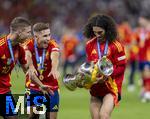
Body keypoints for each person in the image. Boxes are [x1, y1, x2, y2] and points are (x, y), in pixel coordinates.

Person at [83, 14, 126, 119]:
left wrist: (107, 74)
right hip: (95, 88)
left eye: (100, 32)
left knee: (104, 115)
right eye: (94, 32)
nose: (97, 35)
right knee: (96, 117)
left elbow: (121, 67)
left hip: (111, 88)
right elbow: (90, 65)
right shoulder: (89, 45)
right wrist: (85, 76)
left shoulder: (117, 46)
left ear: (108, 30)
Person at [24, 22, 60, 119]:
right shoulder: (29, 44)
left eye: (49, 35)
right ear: (36, 36)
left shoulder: (53, 44)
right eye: (45, 36)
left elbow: (55, 57)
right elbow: (28, 55)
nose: (48, 38)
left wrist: (54, 68)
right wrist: (31, 66)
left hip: (51, 87)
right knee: (33, 116)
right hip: (34, 85)